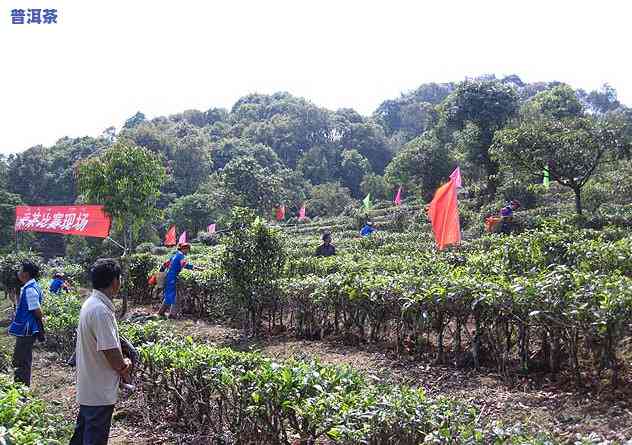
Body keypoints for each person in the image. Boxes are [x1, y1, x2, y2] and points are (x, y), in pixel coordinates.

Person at [70, 258, 131, 445]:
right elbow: (111, 351)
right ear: (115, 282)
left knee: (82, 435)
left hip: (91, 385)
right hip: (99, 390)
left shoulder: (91, 303)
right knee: (94, 437)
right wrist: (124, 366)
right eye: (119, 279)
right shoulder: (101, 311)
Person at [8, 261, 45, 386]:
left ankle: (22, 389)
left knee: (21, 359)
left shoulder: (30, 290)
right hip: (27, 329)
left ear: (25, 274)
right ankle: (21, 387)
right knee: (22, 358)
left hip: (27, 329)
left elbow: (37, 311)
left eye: (20, 270)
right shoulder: (31, 287)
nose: (18, 272)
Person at [157, 243, 202, 318]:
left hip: (169, 277)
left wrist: (160, 274)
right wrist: (197, 268)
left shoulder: (175, 255)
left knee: (169, 295)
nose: (188, 251)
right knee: (177, 297)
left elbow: (165, 264)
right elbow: (185, 265)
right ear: (184, 249)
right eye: (188, 249)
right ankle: (172, 315)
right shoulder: (181, 255)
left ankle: (161, 312)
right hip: (173, 278)